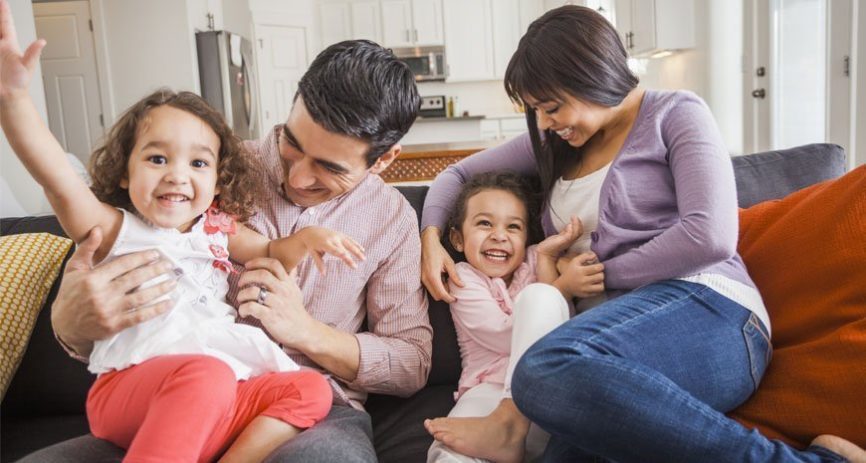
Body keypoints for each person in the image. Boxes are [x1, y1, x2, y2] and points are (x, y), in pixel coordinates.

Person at [419, 5, 866, 463]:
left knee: (542, 368)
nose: (546, 123)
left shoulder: (676, 114)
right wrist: (431, 238)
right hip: (606, 354)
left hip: (711, 312)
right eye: (537, 111)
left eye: (551, 107)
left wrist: (601, 272)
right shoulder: (557, 144)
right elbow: (455, 176)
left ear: (589, 75)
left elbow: (710, 236)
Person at [17, 38, 431, 463]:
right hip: (172, 395)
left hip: (298, 409)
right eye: (293, 145)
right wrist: (70, 325)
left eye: (330, 167)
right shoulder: (207, 168)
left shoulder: (390, 220)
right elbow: (98, 270)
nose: (299, 178)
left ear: (384, 160)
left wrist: (305, 331)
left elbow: (411, 362)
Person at [422, 171, 604, 463]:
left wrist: (547, 261)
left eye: (513, 227)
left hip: (546, 393)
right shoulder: (464, 278)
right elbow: (506, 336)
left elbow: (557, 327)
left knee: (540, 297)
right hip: (488, 393)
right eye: (484, 223)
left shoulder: (534, 260)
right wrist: (563, 287)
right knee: (449, 451)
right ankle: (501, 436)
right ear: (457, 238)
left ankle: (513, 434)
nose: (499, 235)